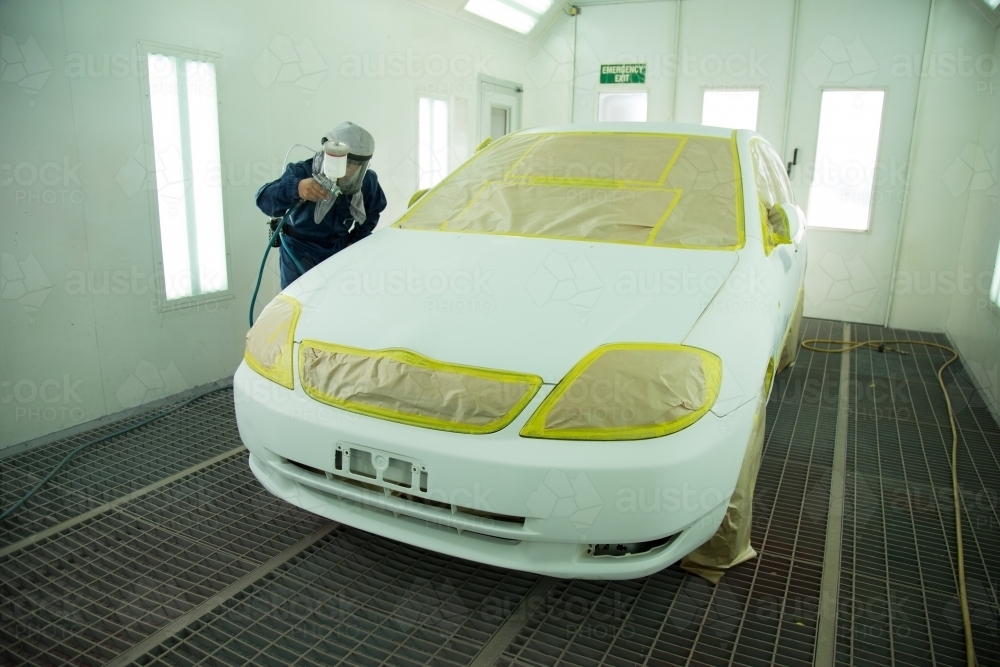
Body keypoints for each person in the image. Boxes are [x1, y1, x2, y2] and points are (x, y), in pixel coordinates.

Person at [256, 122, 387, 288]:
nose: (347, 170)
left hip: (339, 249)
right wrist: (296, 188)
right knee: (298, 304)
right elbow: (263, 199)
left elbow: (374, 210)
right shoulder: (302, 172)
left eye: (354, 165)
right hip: (299, 250)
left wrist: (357, 239)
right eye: (344, 162)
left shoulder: (367, 181)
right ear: (328, 154)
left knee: (334, 303)